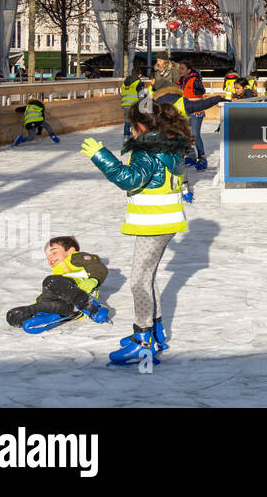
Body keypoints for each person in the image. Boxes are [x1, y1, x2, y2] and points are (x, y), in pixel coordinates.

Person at [79, 100, 191, 365]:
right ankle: (157, 332)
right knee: (148, 278)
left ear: (141, 126)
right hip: (167, 221)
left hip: (154, 223)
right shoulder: (168, 146)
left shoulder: (147, 150)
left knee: (139, 281)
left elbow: (130, 179)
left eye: (131, 126)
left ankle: (143, 340)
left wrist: (100, 155)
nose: (130, 132)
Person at [6, 236, 111, 331]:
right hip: (66, 307)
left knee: (50, 282)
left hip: (80, 295)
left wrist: (93, 280)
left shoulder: (75, 258)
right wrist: (39, 303)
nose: (50, 257)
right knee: (12, 315)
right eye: (48, 256)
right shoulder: (57, 274)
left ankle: (91, 307)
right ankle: (41, 314)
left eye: (54, 252)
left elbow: (98, 268)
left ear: (70, 251)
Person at [177, 60, 224, 177]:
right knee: (185, 134)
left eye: (182, 69)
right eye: (179, 68)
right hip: (185, 112)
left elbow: (201, 90)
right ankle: (190, 155)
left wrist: (197, 89)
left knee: (195, 134)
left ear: (188, 70)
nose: (180, 71)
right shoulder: (181, 81)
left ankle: (202, 158)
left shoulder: (195, 79)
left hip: (196, 112)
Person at [120, 65, 147, 144]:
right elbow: (141, 95)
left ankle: (126, 136)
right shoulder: (139, 82)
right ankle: (136, 137)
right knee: (137, 121)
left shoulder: (124, 83)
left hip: (125, 105)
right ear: (140, 75)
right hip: (134, 105)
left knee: (127, 121)